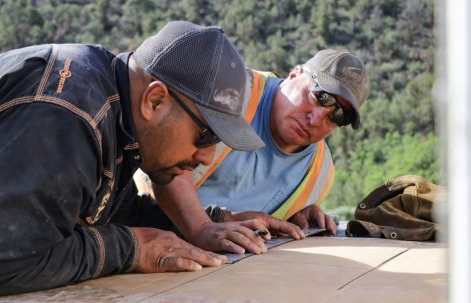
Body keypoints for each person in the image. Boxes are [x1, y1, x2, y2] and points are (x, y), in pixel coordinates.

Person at [0, 21, 296, 297]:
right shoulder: (66, 113)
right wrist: (133, 248)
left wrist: (206, 225)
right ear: (155, 100)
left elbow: (101, 208)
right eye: (205, 135)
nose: (206, 156)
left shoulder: (114, 108)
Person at [136, 49, 370, 237]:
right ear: (295, 73)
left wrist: (295, 217)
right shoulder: (232, 93)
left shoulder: (318, 172)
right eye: (321, 96)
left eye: (338, 116)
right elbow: (161, 169)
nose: (315, 118)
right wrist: (207, 228)